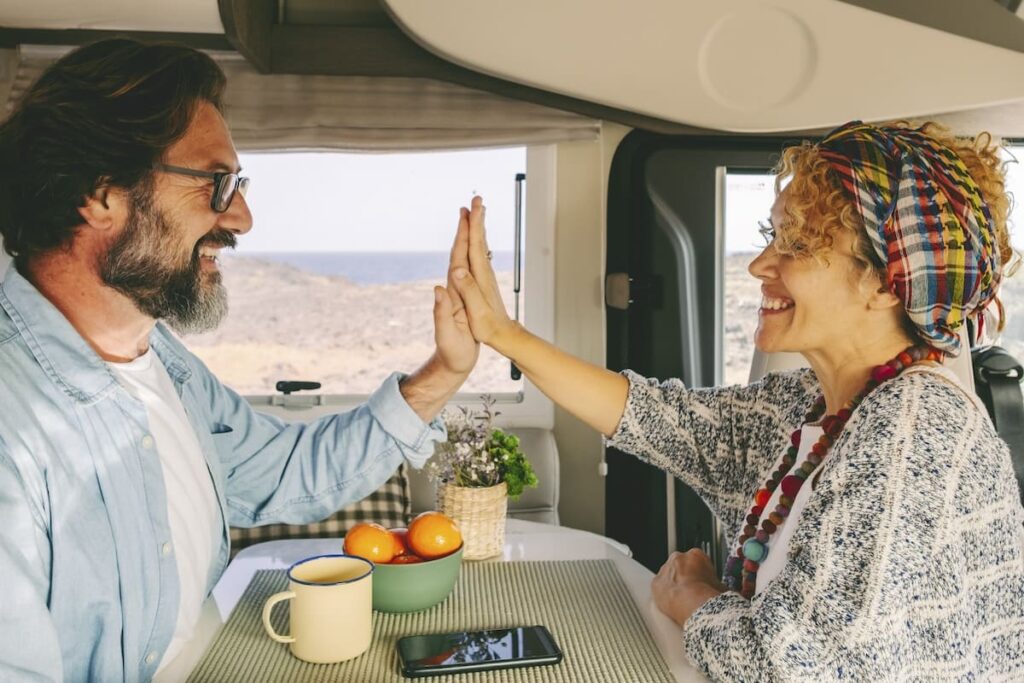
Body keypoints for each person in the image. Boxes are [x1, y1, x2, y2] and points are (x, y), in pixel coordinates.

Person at [447, 121, 1024, 680]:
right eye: (772, 236)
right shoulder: (816, 404)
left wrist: (692, 598)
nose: (758, 265)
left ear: (883, 281)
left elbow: (787, 669)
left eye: (796, 244)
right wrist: (501, 332)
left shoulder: (913, 437)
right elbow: (657, 418)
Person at [0, 39, 478, 681]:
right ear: (101, 193)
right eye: (217, 182)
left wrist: (443, 373)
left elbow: (285, 474)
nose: (243, 218)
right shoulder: (15, 420)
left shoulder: (162, 361)